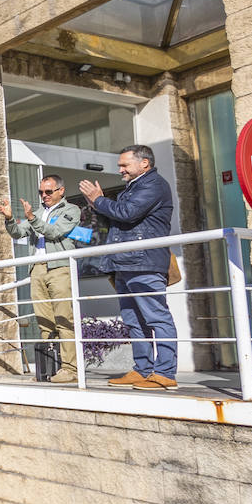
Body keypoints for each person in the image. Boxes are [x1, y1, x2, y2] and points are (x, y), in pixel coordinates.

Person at [79, 144, 178, 390]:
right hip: (125, 261)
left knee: (156, 316)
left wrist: (99, 200)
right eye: (120, 165)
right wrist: (96, 205)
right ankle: (143, 369)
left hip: (144, 261)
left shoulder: (154, 185)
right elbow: (117, 219)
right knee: (134, 320)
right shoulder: (133, 187)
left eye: (125, 164)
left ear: (144, 163)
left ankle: (165, 373)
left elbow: (128, 213)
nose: (120, 169)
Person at [0, 175, 82, 384]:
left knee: (64, 319)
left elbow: (55, 232)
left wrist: (33, 219)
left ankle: (71, 369)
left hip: (59, 267)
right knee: (45, 323)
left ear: (61, 191)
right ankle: (47, 370)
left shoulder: (70, 210)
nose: (44, 196)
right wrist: (9, 219)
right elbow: (18, 233)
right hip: (36, 269)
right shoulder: (36, 213)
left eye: (48, 192)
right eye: (41, 192)